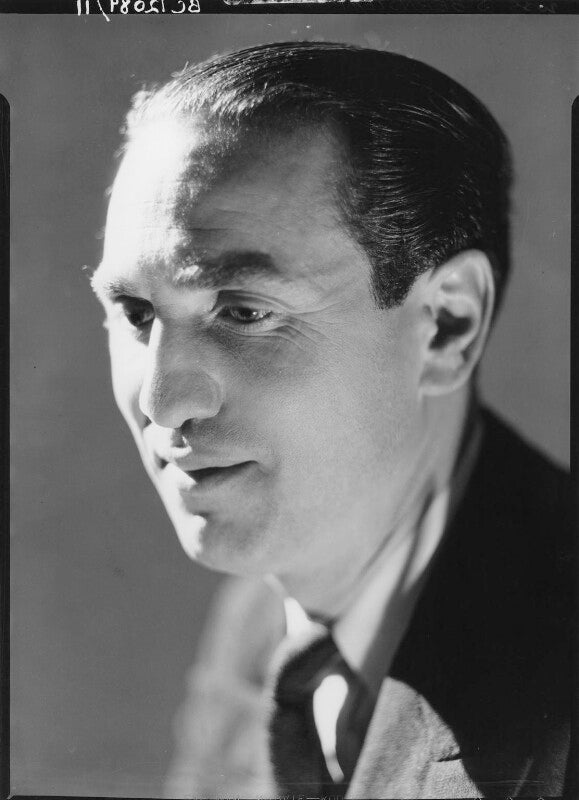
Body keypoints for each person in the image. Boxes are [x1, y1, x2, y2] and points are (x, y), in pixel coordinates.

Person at [91, 42, 573, 798]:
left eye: (243, 311)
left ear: (446, 326)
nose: (160, 402)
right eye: (135, 312)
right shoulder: (265, 613)